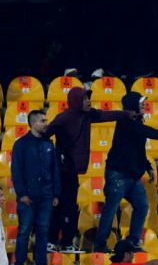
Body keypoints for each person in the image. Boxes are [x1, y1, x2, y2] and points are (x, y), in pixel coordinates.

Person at [45, 86, 135, 254]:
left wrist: (126, 114)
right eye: (85, 99)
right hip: (62, 170)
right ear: (76, 101)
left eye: (88, 98)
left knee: (64, 206)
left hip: (72, 170)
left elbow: (105, 115)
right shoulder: (63, 118)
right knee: (66, 207)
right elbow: (44, 135)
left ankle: (55, 242)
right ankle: (63, 243)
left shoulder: (87, 115)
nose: (88, 101)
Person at [95, 92, 158, 253]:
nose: (144, 105)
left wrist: (148, 167)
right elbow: (147, 131)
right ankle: (100, 245)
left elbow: (139, 148)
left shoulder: (138, 121)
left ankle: (132, 242)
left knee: (142, 206)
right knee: (111, 210)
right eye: (141, 103)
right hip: (118, 175)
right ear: (132, 106)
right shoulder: (125, 122)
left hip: (133, 176)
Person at [11, 110, 61, 265]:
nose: (46, 123)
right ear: (33, 124)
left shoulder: (49, 144)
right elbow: (16, 171)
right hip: (28, 198)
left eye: (46, 120)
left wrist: (55, 194)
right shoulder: (21, 144)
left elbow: (54, 170)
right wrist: (22, 193)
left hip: (46, 197)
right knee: (24, 231)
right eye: (43, 121)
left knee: (42, 232)